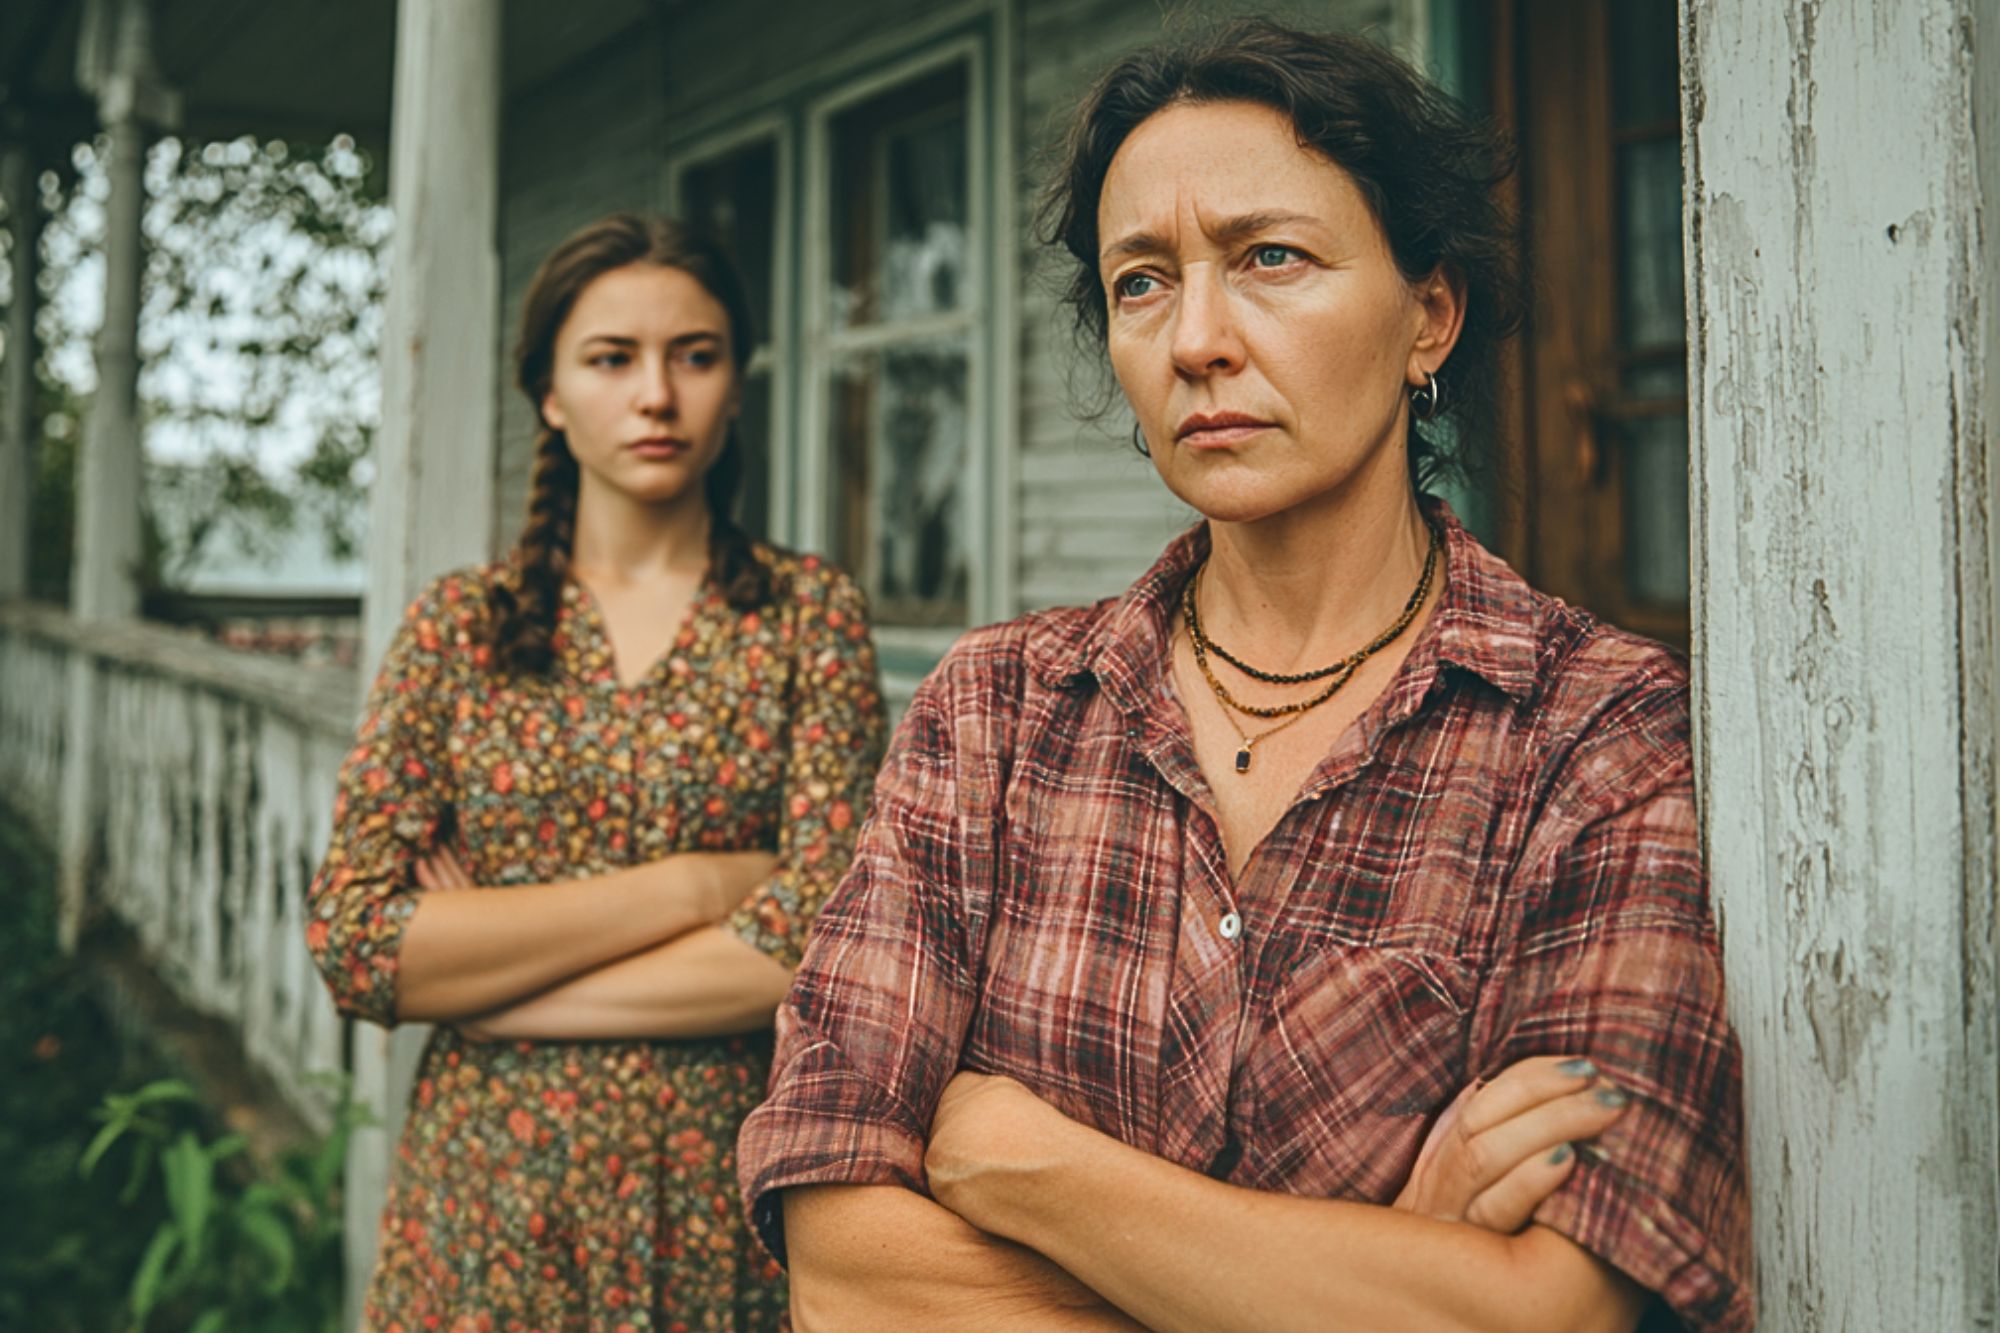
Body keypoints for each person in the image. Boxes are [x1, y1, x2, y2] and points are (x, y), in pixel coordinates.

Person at [737, 19, 1750, 1333]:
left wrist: (1027, 1165)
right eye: (1142, 280)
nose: (1196, 338)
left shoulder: (1589, 730)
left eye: (1271, 257)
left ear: (1427, 315)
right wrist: (1377, 1268)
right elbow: (843, 1264)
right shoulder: (994, 714)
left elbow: (1552, 1307)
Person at [307, 213, 886, 1330]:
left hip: (725, 1199)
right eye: (612, 358)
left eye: (695, 355)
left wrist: (492, 986)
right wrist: (696, 887)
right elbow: (359, 942)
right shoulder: (461, 628)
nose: (656, 395)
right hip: (488, 1206)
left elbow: (821, 942)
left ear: (735, 381)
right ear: (551, 394)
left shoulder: (807, 616)